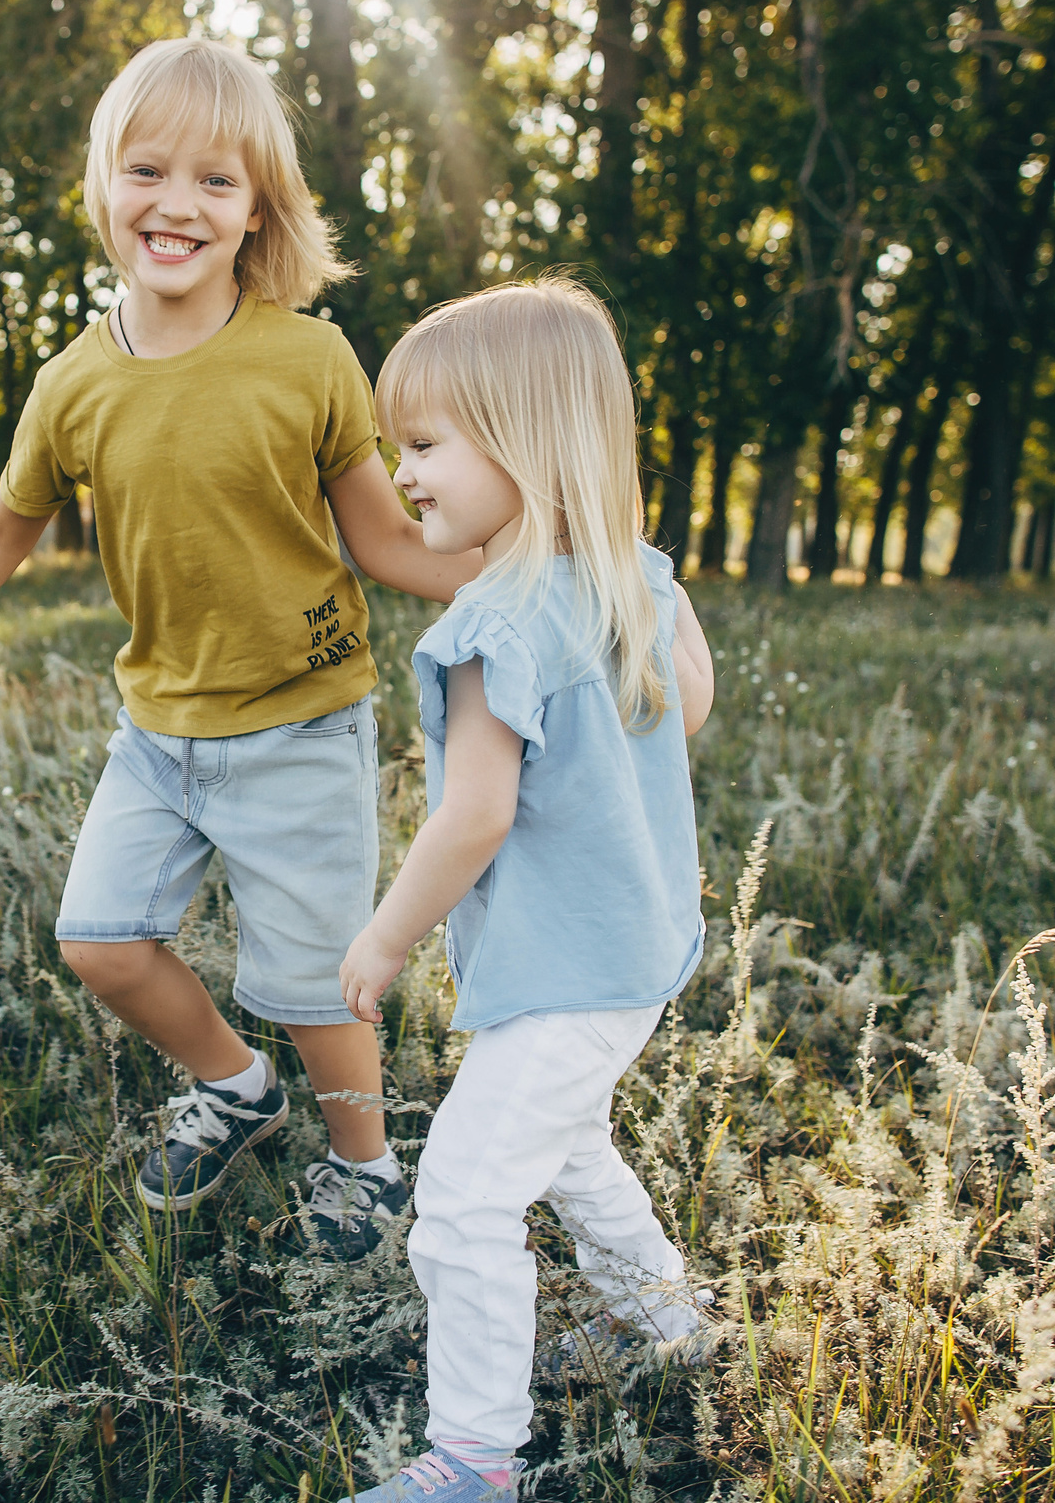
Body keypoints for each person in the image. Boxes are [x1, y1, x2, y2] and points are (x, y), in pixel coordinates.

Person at [0, 38, 481, 1256]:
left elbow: (388, 542)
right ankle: (234, 1087)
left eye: (216, 183)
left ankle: (366, 1166)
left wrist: (535, 568)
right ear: (103, 186)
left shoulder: (308, 357)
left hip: (298, 724)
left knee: (312, 986)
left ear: (255, 212)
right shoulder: (73, 384)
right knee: (101, 943)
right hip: (157, 735)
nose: (177, 203)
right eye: (148, 170)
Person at [329, 277, 720, 1502]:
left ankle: (473, 1461)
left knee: (457, 1203)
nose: (404, 476)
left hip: (561, 975)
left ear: (528, 444)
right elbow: (690, 705)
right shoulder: (638, 582)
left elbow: (475, 815)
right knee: (567, 1149)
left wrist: (385, 939)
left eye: (429, 445)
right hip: (636, 953)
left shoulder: (487, 626)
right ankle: (674, 1324)